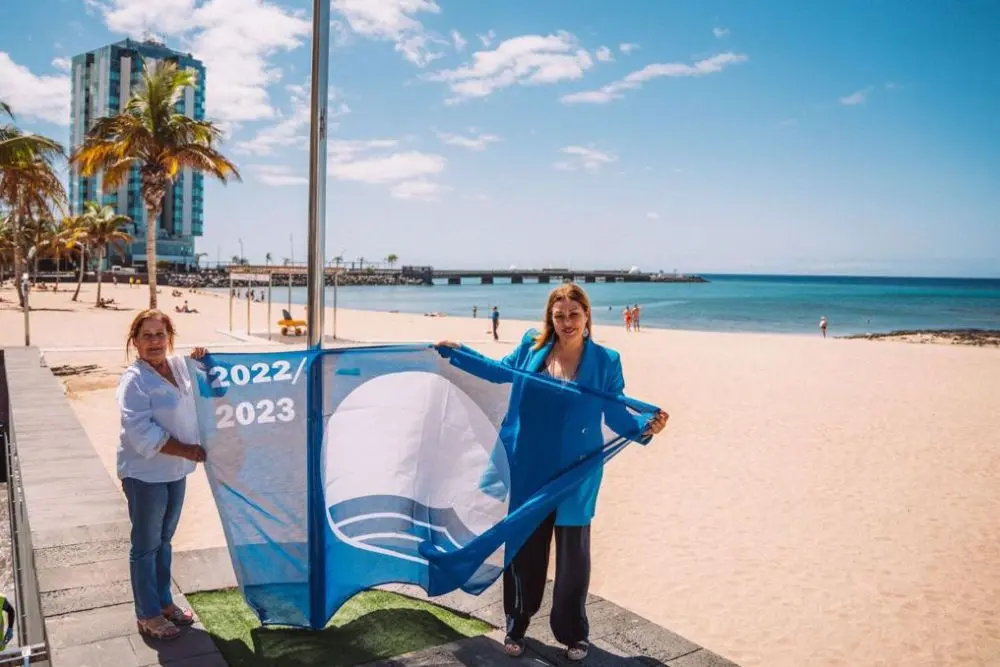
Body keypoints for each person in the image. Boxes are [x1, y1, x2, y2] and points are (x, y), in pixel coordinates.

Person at [436, 283, 668, 661]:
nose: (566, 322)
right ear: (551, 318)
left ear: (587, 315)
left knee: (573, 560)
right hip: (529, 466)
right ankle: (517, 624)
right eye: (559, 315)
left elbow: (615, 413)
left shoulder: (606, 360)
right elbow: (499, 373)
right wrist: (459, 353)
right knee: (525, 551)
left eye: (574, 314)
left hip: (577, 472)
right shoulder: (533, 345)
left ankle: (573, 633)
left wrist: (644, 429)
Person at [117, 309, 209, 641]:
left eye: (160, 334)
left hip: (175, 471)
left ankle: (165, 602)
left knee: (164, 541)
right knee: (145, 545)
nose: (154, 342)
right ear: (135, 341)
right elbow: (141, 433)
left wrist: (204, 356)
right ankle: (148, 614)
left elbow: (209, 379)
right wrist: (187, 450)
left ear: (169, 336)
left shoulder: (182, 366)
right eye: (147, 335)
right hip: (144, 474)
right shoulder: (134, 381)